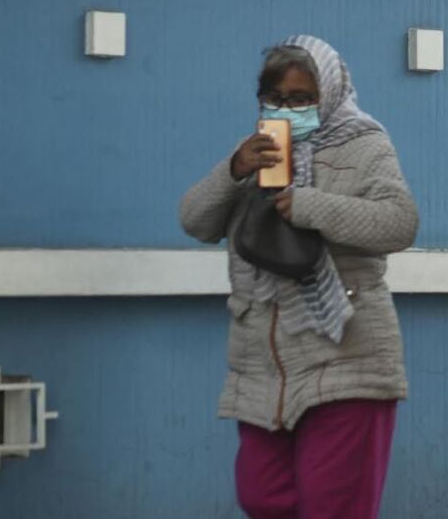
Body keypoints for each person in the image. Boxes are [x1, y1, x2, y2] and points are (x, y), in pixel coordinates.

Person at [179, 35, 418, 519]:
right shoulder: (256, 151)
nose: (287, 109)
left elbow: (399, 222)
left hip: (346, 355)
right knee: (262, 497)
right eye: (275, 98)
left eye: (302, 98)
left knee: (332, 506)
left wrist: (311, 206)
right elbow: (195, 221)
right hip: (264, 367)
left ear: (328, 94)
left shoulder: (365, 143)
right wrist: (234, 169)